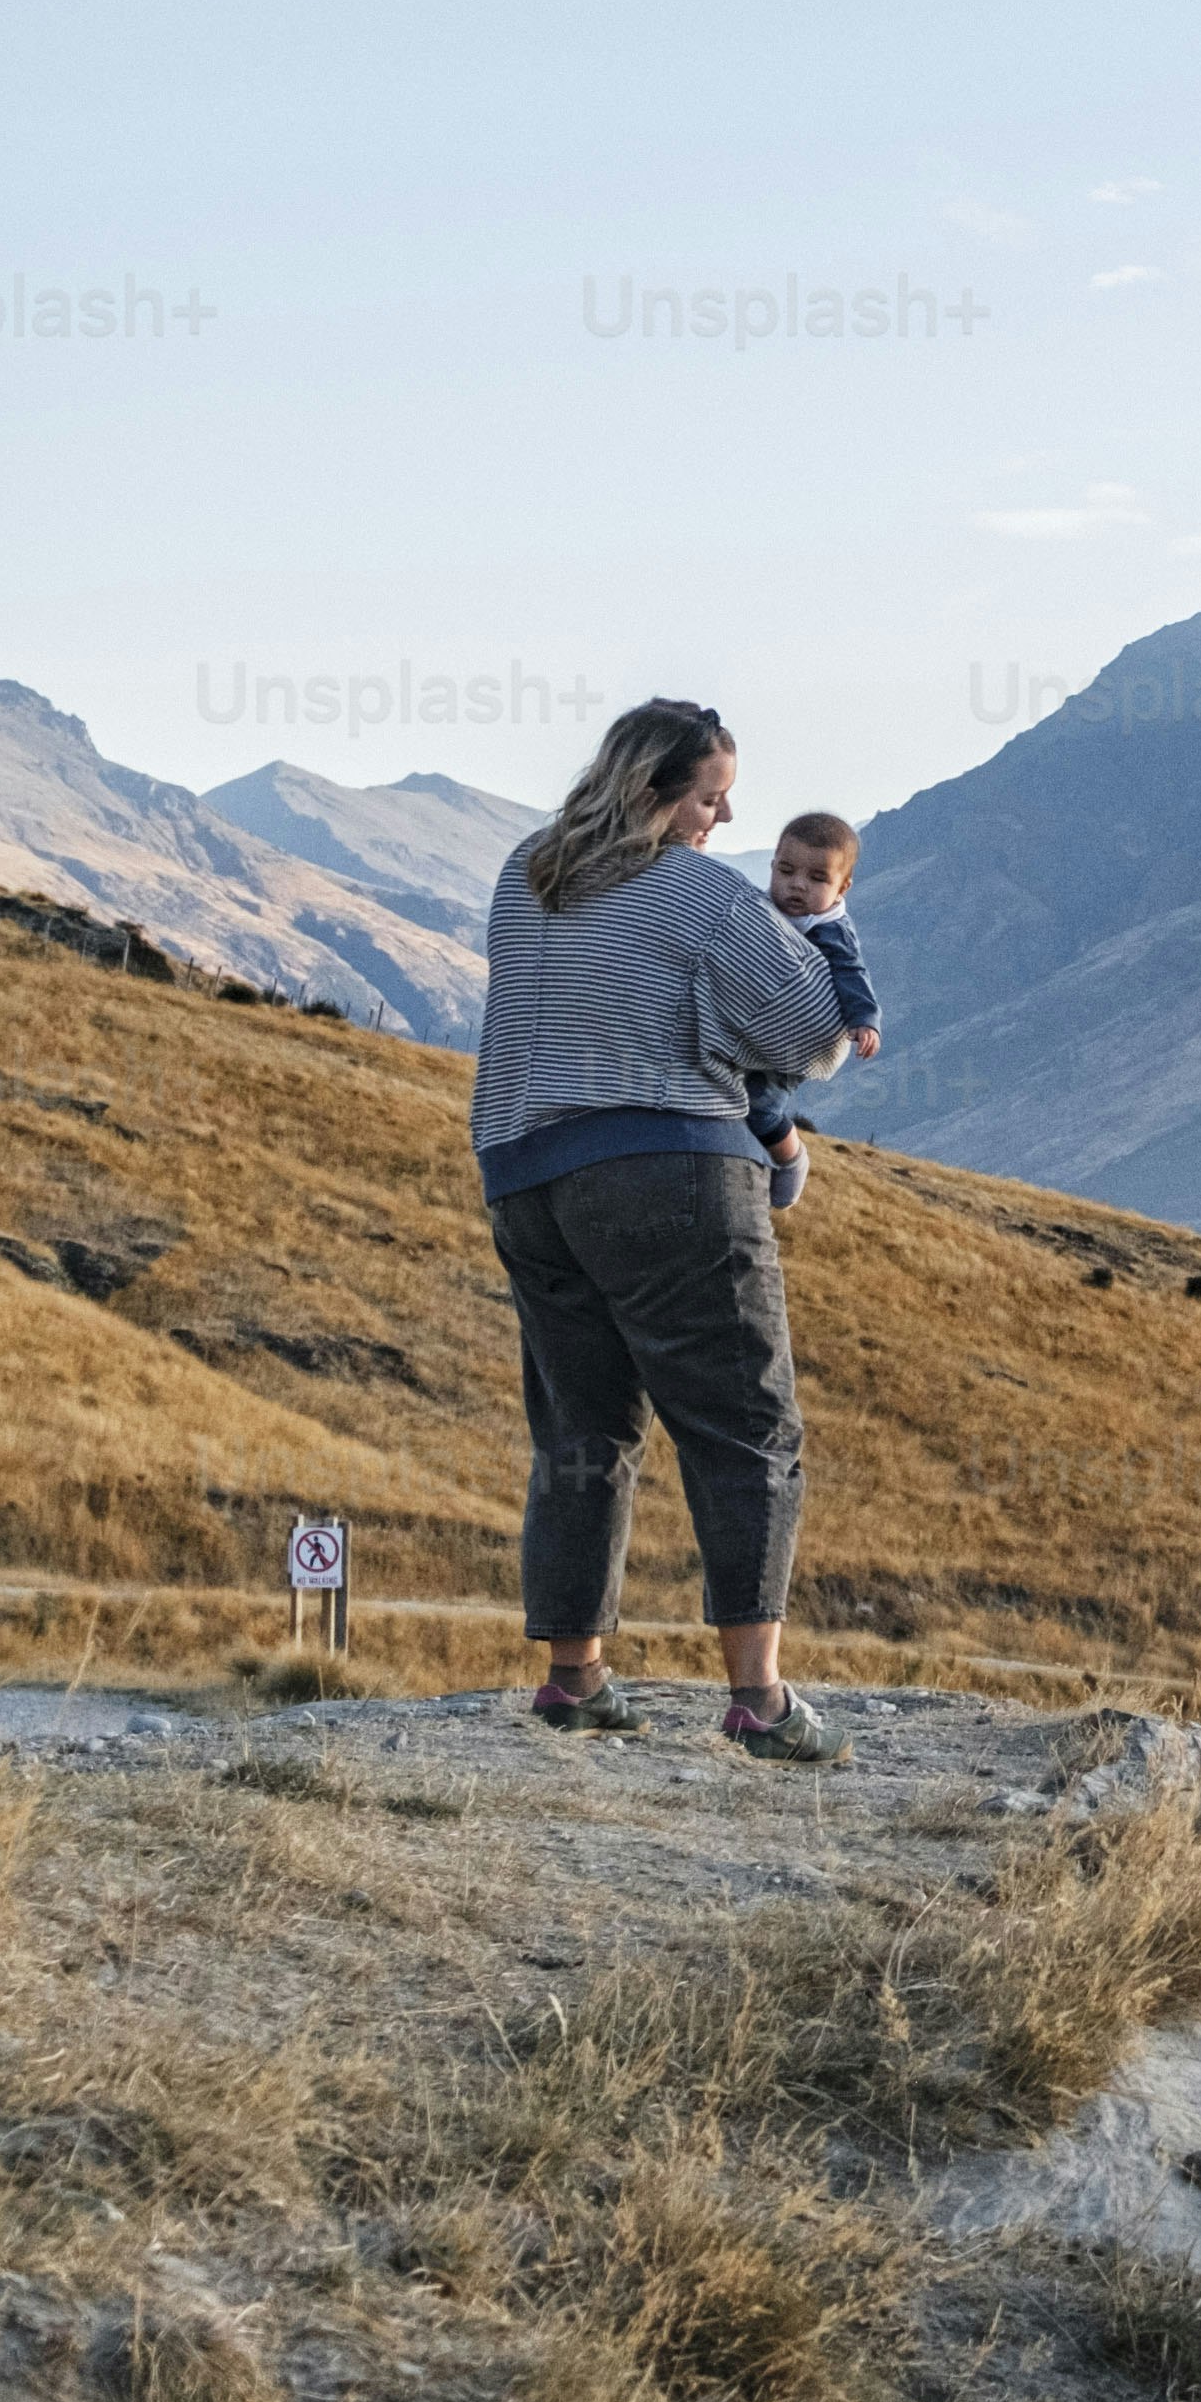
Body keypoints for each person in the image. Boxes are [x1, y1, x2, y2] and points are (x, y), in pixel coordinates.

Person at [460, 696, 859, 1761]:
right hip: (668, 1172)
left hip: (523, 1176)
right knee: (744, 1426)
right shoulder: (697, 894)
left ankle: (574, 1676)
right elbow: (812, 1034)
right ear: (654, 792)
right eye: (710, 799)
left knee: (584, 1433)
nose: (722, 823)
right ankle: (758, 1697)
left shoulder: (524, 873)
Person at [743, 807, 881, 1208]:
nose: (797, 886)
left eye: (817, 878)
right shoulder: (761, 906)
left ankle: (791, 1160)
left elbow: (852, 974)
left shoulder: (831, 929)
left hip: (790, 1050)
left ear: (842, 888)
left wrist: (864, 1021)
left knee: (759, 1109)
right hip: (755, 1031)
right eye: (786, 871)